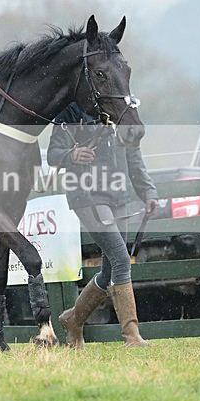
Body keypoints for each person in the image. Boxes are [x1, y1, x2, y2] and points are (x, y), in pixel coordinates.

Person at [47, 102, 158, 348]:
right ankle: (132, 336)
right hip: (86, 196)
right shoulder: (71, 111)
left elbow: (134, 157)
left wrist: (148, 192)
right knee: (120, 258)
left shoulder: (120, 110)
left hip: (119, 196)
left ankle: (73, 320)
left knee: (110, 270)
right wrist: (71, 155)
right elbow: (53, 153)